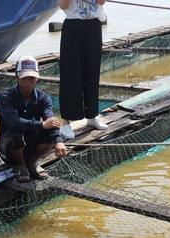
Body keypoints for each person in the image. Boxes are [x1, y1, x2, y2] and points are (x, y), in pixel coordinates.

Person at [0, 56, 68, 183]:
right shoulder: (6, 96)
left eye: (31, 78)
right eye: (24, 78)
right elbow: (13, 122)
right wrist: (41, 124)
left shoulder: (43, 98)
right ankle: (20, 165)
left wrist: (59, 141)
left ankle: (32, 163)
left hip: (31, 147)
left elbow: (50, 121)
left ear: (37, 78)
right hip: (10, 148)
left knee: (52, 134)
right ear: (17, 76)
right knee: (15, 132)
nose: (28, 81)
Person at [58, 0, 108, 140]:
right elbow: (63, 6)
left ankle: (92, 115)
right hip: (73, 25)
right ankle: (66, 121)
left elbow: (101, 2)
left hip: (94, 25)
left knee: (92, 72)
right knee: (70, 73)